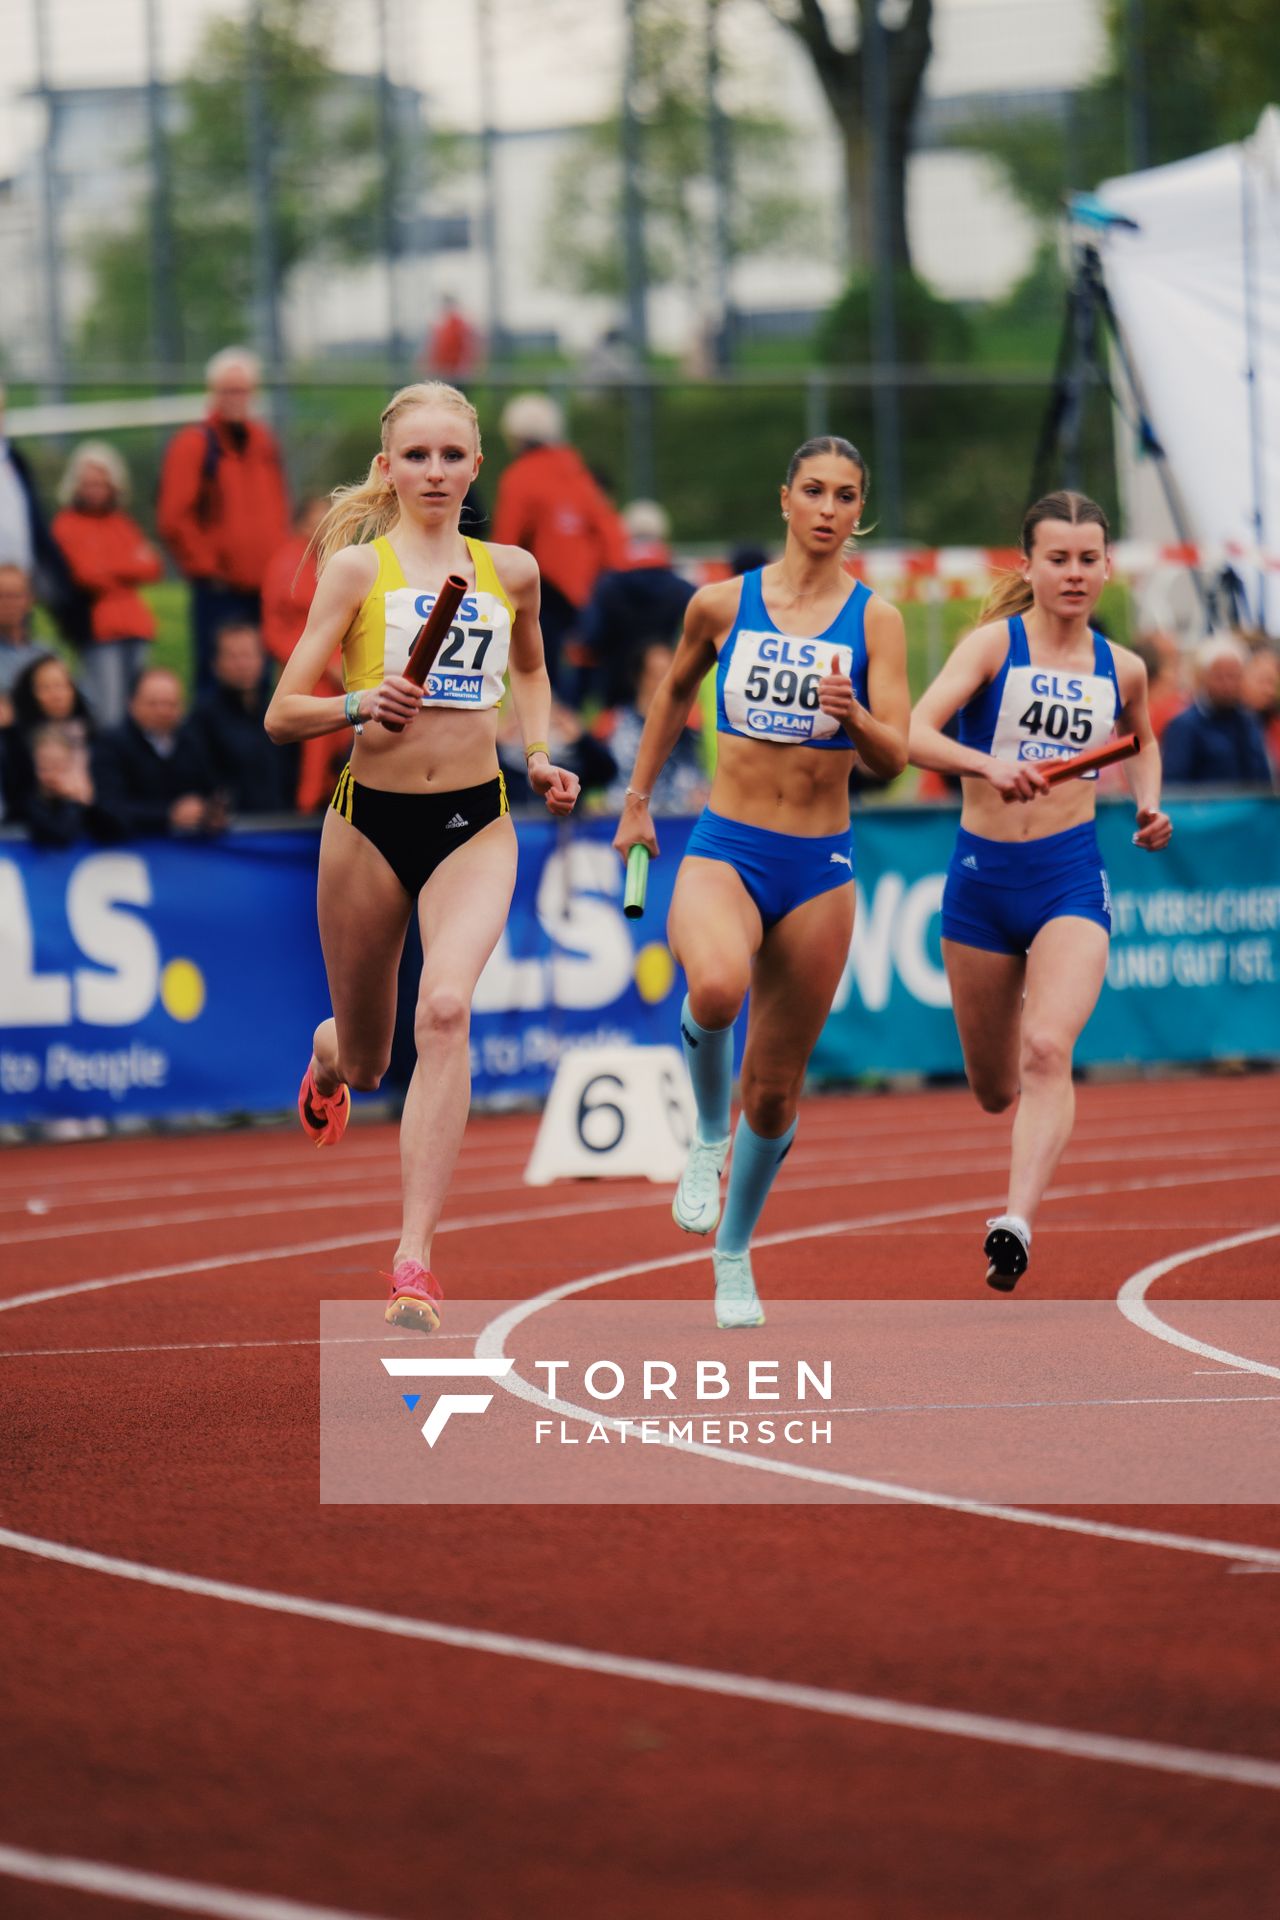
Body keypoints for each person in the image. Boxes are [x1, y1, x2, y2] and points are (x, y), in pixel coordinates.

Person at [264, 381, 580, 1332]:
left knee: (444, 1010)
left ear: (476, 465)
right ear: (387, 468)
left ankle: (415, 1261)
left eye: (451, 456)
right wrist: (359, 705)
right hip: (367, 826)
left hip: (475, 825)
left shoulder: (511, 570)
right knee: (367, 1056)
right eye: (417, 456)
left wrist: (537, 751)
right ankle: (328, 1054)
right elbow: (283, 714)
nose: (435, 472)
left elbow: (528, 662)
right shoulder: (358, 573)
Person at [613, 435, 909, 1328]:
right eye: (813, 490)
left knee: (776, 1091)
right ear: (785, 500)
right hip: (726, 844)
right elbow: (670, 696)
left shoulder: (877, 621)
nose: (827, 508)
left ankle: (734, 1255)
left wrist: (855, 715)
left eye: (846, 496)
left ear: (861, 513)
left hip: (818, 867)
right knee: (715, 983)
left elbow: (893, 761)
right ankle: (707, 1136)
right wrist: (635, 803)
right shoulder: (719, 605)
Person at [908, 490, 1172, 1292]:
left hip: (1068, 877)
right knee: (994, 1090)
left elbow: (1143, 737)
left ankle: (1015, 1219)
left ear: (1105, 567)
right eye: (1058, 558)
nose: (1075, 573)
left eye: (1089, 558)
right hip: (983, 882)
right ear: (1029, 564)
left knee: (1049, 1048)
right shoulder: (993, 647)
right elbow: (915, 731)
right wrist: (987, 764)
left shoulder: (1120, 665)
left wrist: (1150, 802)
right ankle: (1017, 1130)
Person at [157, 347, 291, 699]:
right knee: (217, 682)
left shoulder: (263, 442)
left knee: (258, 681)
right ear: (213, 393)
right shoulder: (195, 444)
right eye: (228, 390)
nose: (236, 398)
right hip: (220, 592)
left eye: (243, 390)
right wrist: (209, 567)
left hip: (261, 588)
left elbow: (277, 507)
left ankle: (256, 754)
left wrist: (277, 564)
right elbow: (174, 518)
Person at [492, 392, 626, 695]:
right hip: (587, 589)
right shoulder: (576, 471)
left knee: (541, 677)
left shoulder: (519, 478)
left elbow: (507, 542)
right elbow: (608, 532)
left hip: (545, 589)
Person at [51, 440, 164, 729]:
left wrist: (110, 568)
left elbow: (152, 566)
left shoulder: (120, 521)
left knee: (141, 711)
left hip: (134, 626)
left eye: (101, 483)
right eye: (88, 484)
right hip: (99, 629)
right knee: (108, 713)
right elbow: (85, 574)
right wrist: (127, 567)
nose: (95, 490)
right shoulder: (67, 524)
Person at [578, 501, 697, 708]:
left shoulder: (607, 585)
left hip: (614, 694)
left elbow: (590, 638)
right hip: (663, 691)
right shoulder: (682, 589)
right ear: (662, 535)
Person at [92, 666, 224, 840]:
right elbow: (109, 807)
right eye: (153, 703)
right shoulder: (111, 744)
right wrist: (168, 814)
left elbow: (212, 789)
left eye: (170, 704)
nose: (162, 711)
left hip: (189, 852)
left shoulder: (193, 741)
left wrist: (208, 812)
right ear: (131, 704)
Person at [188, 622, 297, 815]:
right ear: (215, 664)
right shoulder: (202, 719)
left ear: (262, 660)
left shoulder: (280, 711)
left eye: (248, 655)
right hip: (231, 831)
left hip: (285, 826)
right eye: (233, 657)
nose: (242, 664)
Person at [597, 641, 709, 815]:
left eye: (669, 674)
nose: (664, 683)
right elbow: (597, 781)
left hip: (678, 822)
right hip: (623, 818)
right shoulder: (613, 723)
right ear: (639, 678)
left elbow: (697, 776)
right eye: (656, 675)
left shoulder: (689, 727)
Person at [1160, 634, 1273, 789]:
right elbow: (1174, 787)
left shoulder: (1249, 722)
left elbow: (1263, 781)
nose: (1227, 685)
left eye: (1233, 676)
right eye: (1219, 677)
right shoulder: (1184, 727)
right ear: (1203, 678)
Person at [0, 565, 47, 725]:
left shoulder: (45, 655)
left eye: (15, 596)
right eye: (1, 596)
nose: (8, 603)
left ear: (30, 600)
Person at [418, 296, 480, 383]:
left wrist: (463, 367)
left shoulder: (458, 323)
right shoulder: (443, 325)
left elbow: (466, 347)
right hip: (444, 370)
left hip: (453, 371)